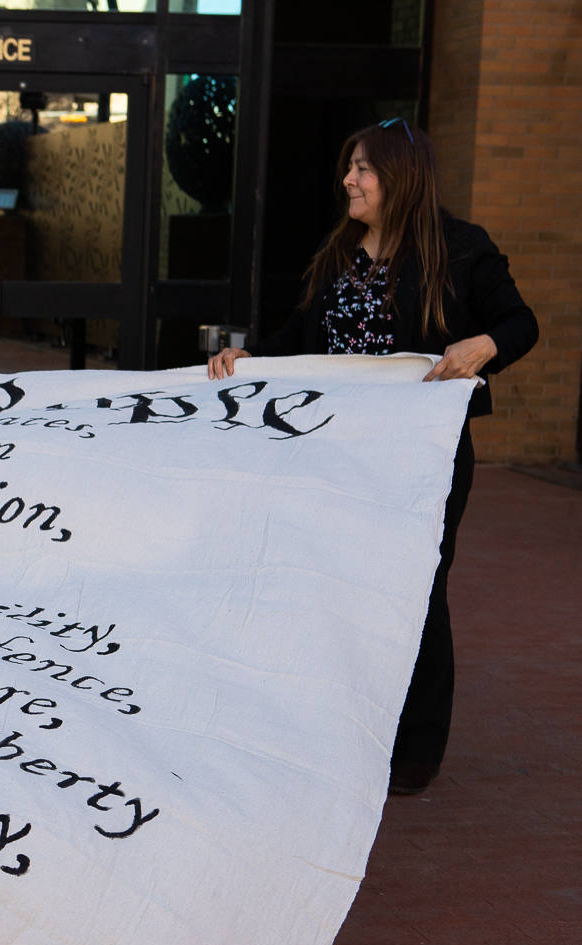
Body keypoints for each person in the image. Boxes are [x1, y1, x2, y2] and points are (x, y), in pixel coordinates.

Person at [208, 118, 538, 797]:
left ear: (400, 177)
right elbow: (303, 337)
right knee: (339, 583)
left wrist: (483, 346)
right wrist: (249, 358)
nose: (348, 180)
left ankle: (416, 746)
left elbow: (520, 323)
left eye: (362, 168)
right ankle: (349, 727)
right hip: (338, 451)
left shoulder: (460, 248)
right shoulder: (341, 251)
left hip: (423, 455)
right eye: (350, 167)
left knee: (416, 586)